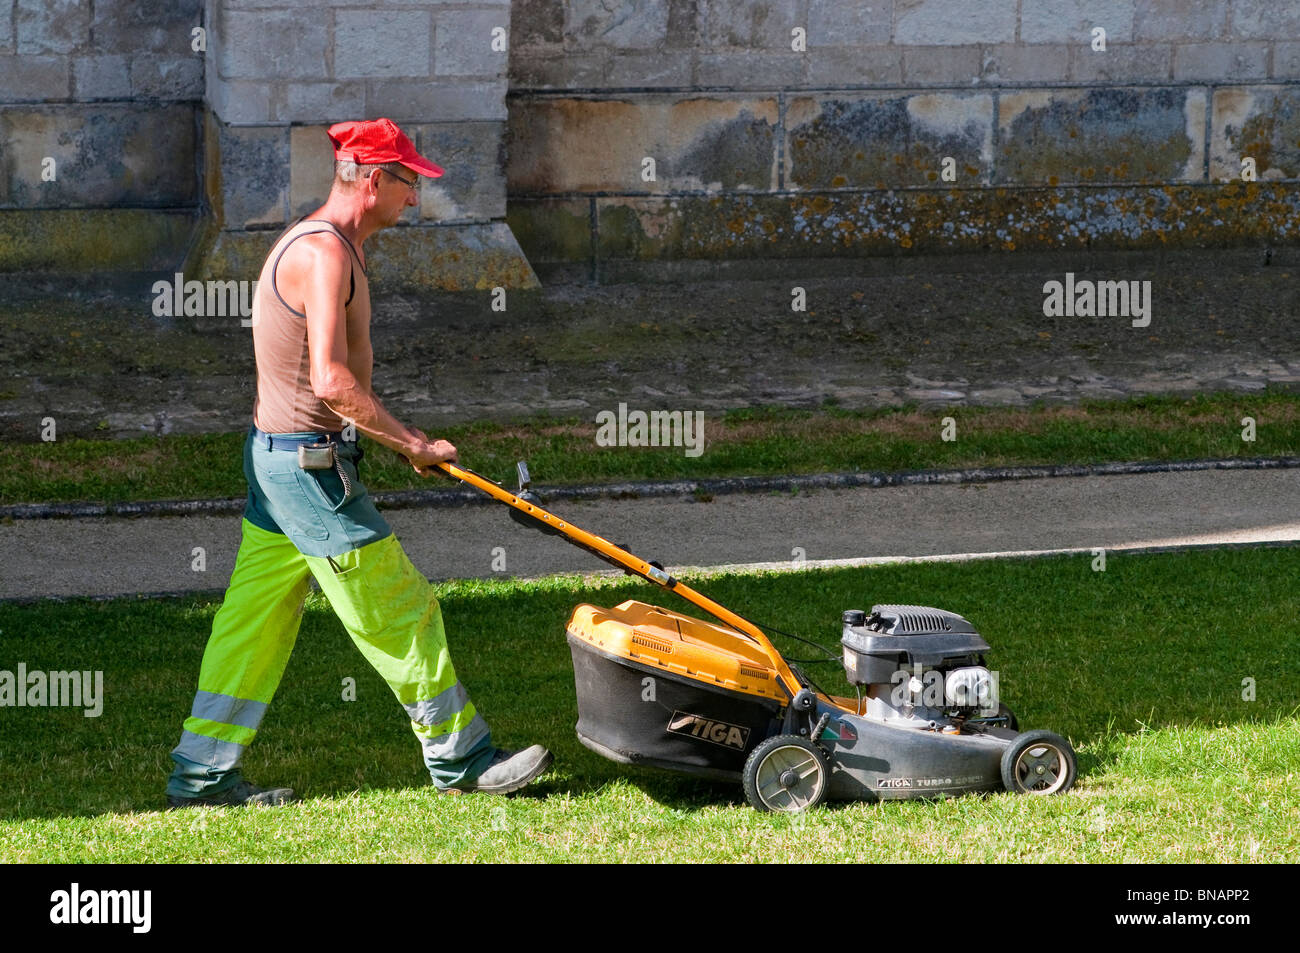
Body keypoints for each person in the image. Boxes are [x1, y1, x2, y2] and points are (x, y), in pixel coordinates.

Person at [165, 118, 552, 807]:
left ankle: (201, 772)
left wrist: (387, 438)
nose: (414, 200)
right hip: (307, 473)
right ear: (374, 178)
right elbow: (332, 383)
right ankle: (462, 758)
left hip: (280, 462)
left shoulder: (333, 245)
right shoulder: (323, 255)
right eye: (409, 184)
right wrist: (414, 444)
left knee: (253, 620)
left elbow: (340, 390)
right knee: (401, 608)